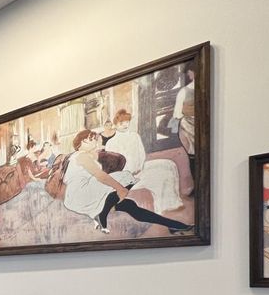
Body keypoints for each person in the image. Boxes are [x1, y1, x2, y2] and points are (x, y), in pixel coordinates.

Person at [64, 130, 192, 234]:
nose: (94, 141)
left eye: (94, 139)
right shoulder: (81, 155)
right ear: (82, 142)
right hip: (82, 195)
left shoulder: (82, 156)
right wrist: (120, 188)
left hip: (83, 195)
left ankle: (174, 225)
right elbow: (100, 176)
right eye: (91, 139)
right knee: (125, 176)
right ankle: (102, 213)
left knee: (130, 206)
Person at [105, 109, 183, 213]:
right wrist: (130, 172)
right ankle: (161, 208)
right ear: (115, 124)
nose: (125, 125)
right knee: (159, 176)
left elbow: (142, 155)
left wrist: (140, 167)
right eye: (121, 123)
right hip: (126, 176)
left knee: (169, 165)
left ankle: (172, 203)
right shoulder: (111, 143)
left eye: (127, 122)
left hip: (140, 168)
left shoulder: (135, 136)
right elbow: (113, 166)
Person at [171, 67, 195, 158]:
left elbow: (177, 114)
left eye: (189, 71)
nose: (188, 74)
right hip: (191, 124)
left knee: (183, 124)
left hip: (189, 125)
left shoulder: (184, 91)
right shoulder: (184, 91)